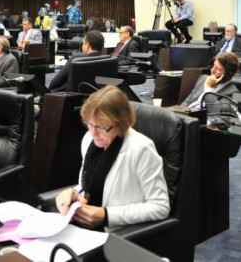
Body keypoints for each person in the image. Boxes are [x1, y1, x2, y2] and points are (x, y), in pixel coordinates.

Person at [55, 85, 170, 230]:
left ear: (120, 124)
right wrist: (75, 194)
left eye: (102, 127)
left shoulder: (141, 149)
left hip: (119, 235)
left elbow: (161, 207)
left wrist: (107, 216)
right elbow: (88, 186)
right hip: (85, 227)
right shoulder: (89, 140)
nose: (93, 133)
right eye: (90, 124)